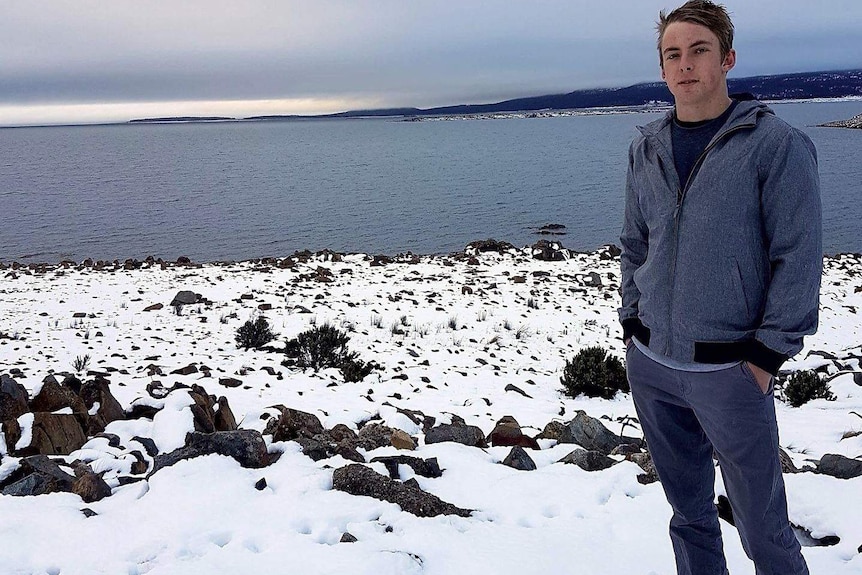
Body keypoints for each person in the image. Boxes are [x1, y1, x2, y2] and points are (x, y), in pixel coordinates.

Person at [618, 1, 821, 574]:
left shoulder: (775, 145)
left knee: (764, 533)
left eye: (699, 50)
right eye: (672, 55)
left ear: (727, 58)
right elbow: (636, 242)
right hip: (653, 364)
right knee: (689, 518)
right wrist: (633, 320)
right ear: (662, 69)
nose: (685, 65)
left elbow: (798, 256)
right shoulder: (646, 147)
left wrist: (765, 356)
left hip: (732, 371)